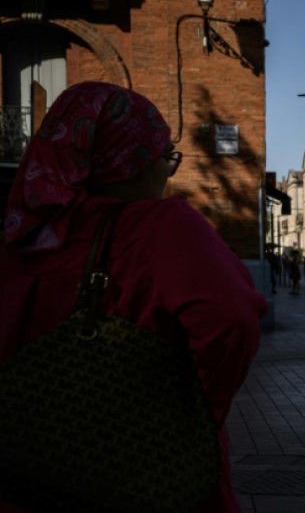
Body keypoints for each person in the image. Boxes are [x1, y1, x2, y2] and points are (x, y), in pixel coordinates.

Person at [0, 81, 266, 513]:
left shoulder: (19, 237)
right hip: (146, 477)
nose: (167, 172)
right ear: (128, 160)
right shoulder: (159, 228)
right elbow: (233, 321)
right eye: (165, 157)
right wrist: (197, 410)